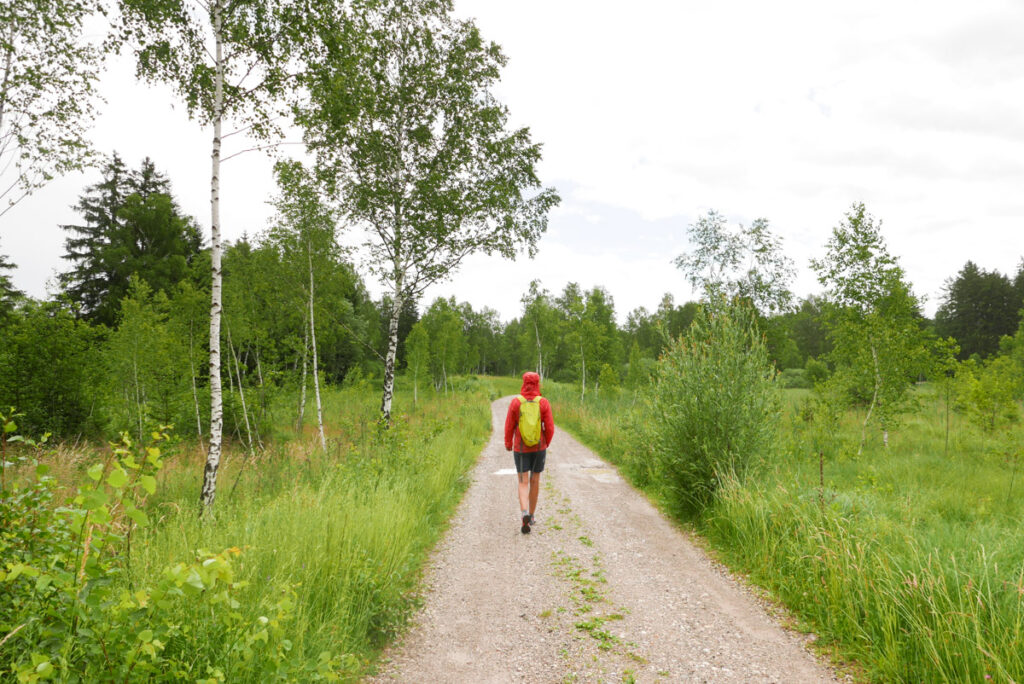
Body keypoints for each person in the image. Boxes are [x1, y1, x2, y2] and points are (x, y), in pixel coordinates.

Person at [504, 371, 555, 534]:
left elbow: (509, 425)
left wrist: (508, 443)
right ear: (538, 383)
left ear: (524, 383)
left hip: (521, 447)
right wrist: (546, 441)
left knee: (522, 481)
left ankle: (524, 512)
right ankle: (532, 516)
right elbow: (550, 427)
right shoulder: (543, 403)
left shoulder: (516, 402)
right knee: (535, 480)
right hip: (539, 447)